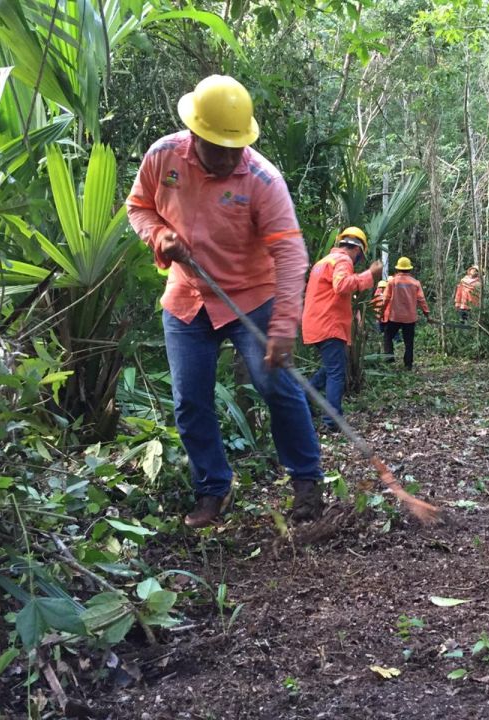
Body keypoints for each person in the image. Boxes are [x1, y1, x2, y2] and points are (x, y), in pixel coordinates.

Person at [126, 75, 324, 528]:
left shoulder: (261, 179)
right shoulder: (163, 157)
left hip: (253, 297)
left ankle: (307, 484)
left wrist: (282, 327)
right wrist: (160, 235)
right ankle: (212, 490)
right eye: (218, 147)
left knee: (275, 383)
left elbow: (291, 253)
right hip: (186, 297)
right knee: (190, 398)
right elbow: (138, 206)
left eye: (236, 146)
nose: (229, 156)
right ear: (195, 134)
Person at [301, 227, 383, 432]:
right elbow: (341, 285)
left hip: (316, 323)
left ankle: (304, 395)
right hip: (329, 324)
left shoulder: (323, 262)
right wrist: (370, 274)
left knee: (333, 367)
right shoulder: (343, 260)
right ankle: (332, 422)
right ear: (358, 250)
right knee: (336, 372)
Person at [382, 257, 430, 369]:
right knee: (409, 342)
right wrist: (427, 314)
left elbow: (385, 299)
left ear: (398, 269)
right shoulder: (415, 283)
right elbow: (421, 300)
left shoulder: (392, 281)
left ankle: (389, 358)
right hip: (410, 318)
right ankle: (408, 365)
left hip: (395, 316)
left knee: (388, 337)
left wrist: (381, 312)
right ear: (409, 269)